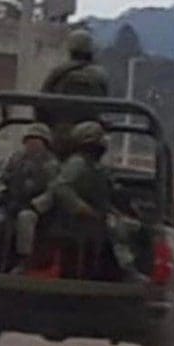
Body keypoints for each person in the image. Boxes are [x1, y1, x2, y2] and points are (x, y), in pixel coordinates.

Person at [49, 121, 149, 283]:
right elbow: (60, 187)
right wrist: (81, 208)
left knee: (137, 228)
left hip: (97, 214)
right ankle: (126, 269)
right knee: (116, 229)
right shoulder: (78, 163)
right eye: (99, 139)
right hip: (77, 220)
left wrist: (119, 209)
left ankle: (130, 268)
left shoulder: (95, 166)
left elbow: (104, 195)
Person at [0, 123, 59, 273]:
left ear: (45, 144)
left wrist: (36, 205)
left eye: (37, 140)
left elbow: (53, 190)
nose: (32, 144)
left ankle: (23, 260)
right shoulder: (15, 159)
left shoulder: (51, 164)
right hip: (9, 202)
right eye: (29, 140)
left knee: (25, 220)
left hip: (35, 209)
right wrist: (2, 192)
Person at [38, 29, 110, 158]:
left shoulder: (57, 73)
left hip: (60, 138)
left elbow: (41, 104)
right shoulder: (100, 76)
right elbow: (104, 105)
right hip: (90, 139)